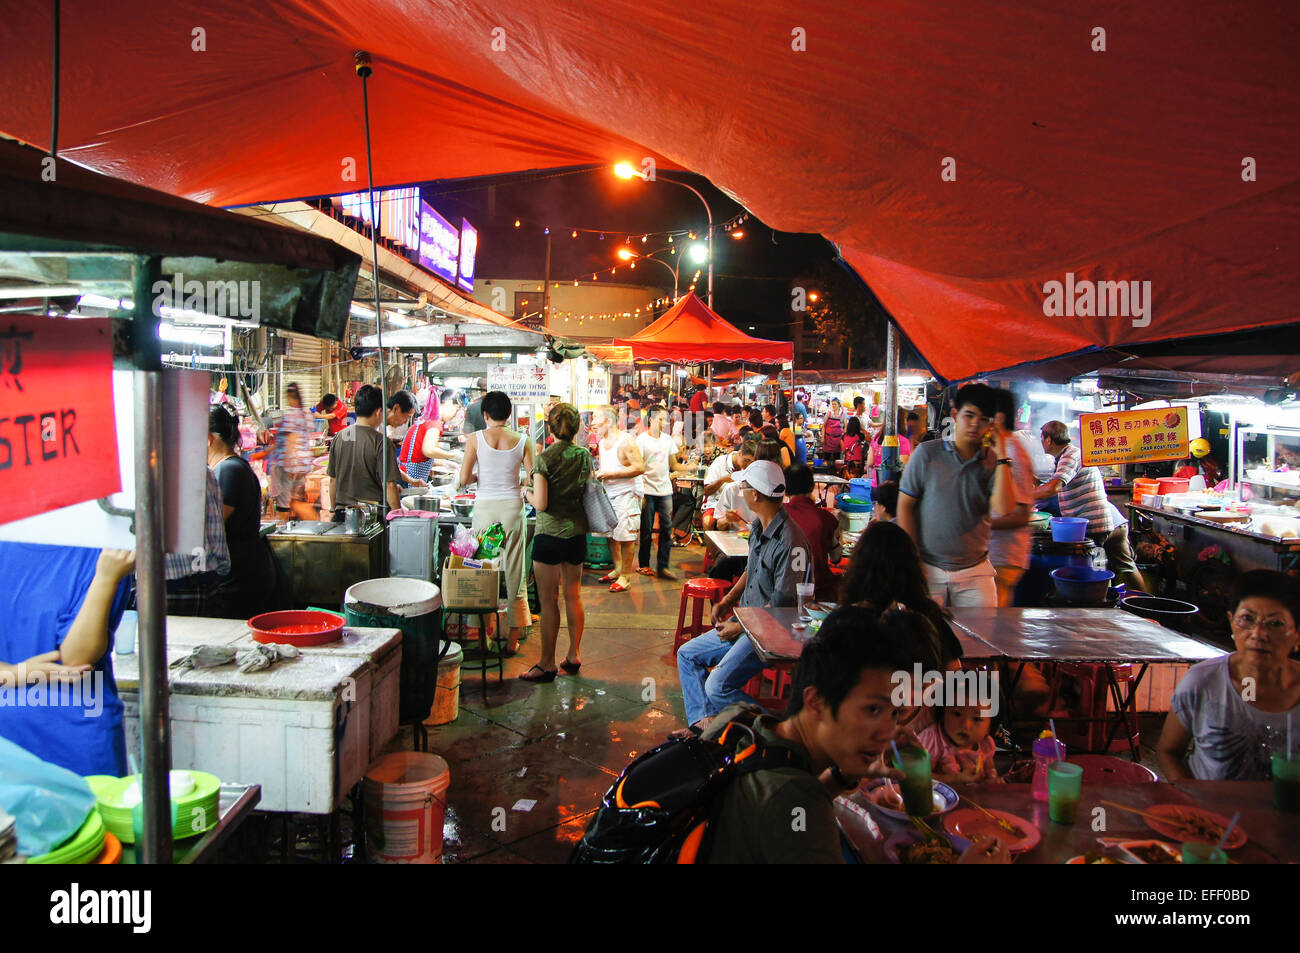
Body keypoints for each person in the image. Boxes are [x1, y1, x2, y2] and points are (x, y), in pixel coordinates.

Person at [697, 606, 1008, 863]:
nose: (887, 731)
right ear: (817, 702)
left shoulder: (739, 719)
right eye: (872, 710)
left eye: (894, 713)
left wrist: (841, 776)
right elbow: (793, 805)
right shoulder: (800, 805)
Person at [676, 461, 810, 734]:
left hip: (772, 631)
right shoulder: (761, 527)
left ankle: (779, 732)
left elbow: (784, 606)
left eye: (745, 486)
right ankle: (703, 727)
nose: (742, 490)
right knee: (687, 655)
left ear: (756, 495)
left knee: (717, 686)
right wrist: (727, 601)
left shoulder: (791, 541)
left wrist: (740, 626)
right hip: (749, 624)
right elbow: (752, 568)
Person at [0, 545, 136, 777]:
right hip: (8, 741)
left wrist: (106, 577)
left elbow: (77, 659)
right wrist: (12, 673)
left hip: (76, 736)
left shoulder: (106, 552)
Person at [1158, 570, 1300, 780]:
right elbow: (1168, 751)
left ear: (1297, 634)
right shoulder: (1202, 682)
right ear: (1232, 622)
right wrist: (1191, 800)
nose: (1258, 634)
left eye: (1275, 623)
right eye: (1247, 619)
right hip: (1209, 810)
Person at [897, 383, 1020, 608]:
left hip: (975, 571)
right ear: (955, 415)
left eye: (983, 419)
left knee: (980, 640)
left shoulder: (992, 462)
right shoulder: (927, 454)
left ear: (991, 423)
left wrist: (1002, 455)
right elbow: (905, 506)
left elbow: (1004, 508)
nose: (975, 424)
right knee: (925, 638)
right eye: (969, 415)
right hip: (928, 567)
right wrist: (913, 561)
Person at [458, 390, 534, 653]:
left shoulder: (475, 439)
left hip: (485, 510)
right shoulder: (523, 439)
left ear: (485, 414)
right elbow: (531, 479)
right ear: (509, 415)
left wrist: (480, 476)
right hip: (513, 508)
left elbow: (464, 477)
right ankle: (513, 640)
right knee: (515, 571)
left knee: (481, 570)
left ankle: (482, 637)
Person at [520, 403, 590, 683]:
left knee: (548, 602)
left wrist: (527, 494)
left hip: (549, 536)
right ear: (576, 428)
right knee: (573, 596)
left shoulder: (544, 458)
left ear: (549, 428)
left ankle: (546, 663)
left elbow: (542, 503)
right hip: (576, 534)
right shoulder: (584, 456)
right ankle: (574, 654)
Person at [1036, 419, 1146, 593]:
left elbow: (1053, 488)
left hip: (1094, 525)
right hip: (1110, 522)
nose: (1041, 443)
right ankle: (1145, 600)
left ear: (1049, 439)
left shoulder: (1070, 455)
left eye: (1042, 439)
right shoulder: (1067, 456)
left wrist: (1021, 496)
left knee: (1095, 569)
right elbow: (1053, 483)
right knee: (1125, 567)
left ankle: (1101, 606)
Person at [209, 404, 276, 616]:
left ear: (209, 439)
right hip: (242, 573)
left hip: (240, 577)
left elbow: (212, 526)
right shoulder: (230, 467)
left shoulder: (228, 470)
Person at [988, 388, 1034, 607]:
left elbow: (1022, 515)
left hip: (1004, 555)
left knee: (993, 621)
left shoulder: (1012, 453)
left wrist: (980, 525)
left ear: (999, 417)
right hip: (995, 553)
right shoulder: (1000, 448)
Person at [327, 384, 403, 514]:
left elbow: (333, 480)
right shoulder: (382, 442)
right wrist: (399, 515)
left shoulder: (339, 437)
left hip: (342, 513)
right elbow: (389, 485)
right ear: (379, 412)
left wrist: (334, 510)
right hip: (371, 517)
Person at [593, 407, 646, 593]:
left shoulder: (626, 441)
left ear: (608, 421)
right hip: (609, 493)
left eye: (596, 417)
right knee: (611, 535)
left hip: (626, 494)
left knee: (625, 536)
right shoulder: (602, 442)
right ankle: (617, 568)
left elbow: (640, 467)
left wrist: (610, 473)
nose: (593, 423)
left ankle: (625, 576)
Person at [637, 405, 687, 580]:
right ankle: (644, 564)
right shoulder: (641, 440)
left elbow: (673, 464)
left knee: (667, 530)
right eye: (661, 419)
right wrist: (639, 491)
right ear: (651, 419)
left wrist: (689, 467)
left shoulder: (667, 440)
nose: (665, 422)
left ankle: (663, 567)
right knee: (646, 529)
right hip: (647, 490)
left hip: (665, 490)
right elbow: (638, 467)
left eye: (666, 419)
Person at [783, 463, 843, 600]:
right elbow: (836, 558)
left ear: (785, 490)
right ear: (812, 487)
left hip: (782, 589)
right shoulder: (828, 519)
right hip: (819, 591)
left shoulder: (777, 515)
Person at [919, 702, 1002, 784]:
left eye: (977, 719)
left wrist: (992, 778)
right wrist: (955, 779)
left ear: (990, 726)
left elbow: (990, 767)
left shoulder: (985, 743)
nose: (965, 725)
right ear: (943, 714)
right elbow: (920, 776)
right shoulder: (933, 739)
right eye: (957, 713)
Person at [270, 382, 317, 521]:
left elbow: (291, 441)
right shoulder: (307, 413)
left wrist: (292, 465)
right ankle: (310, 529)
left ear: (289, 397)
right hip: (304, 465)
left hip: (290, 467)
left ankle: (282, 532)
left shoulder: (291, 415)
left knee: (284, 504)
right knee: (297, 502)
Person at [401, 388, 463, 484]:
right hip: (409, 479)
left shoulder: (426, 419)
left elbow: (419, 456)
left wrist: (444, 463)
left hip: (406, 476)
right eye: (456, 409)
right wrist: (454, 455)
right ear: (449, 403)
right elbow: (429, 450)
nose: (455, 415)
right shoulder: (434, 422)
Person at [700, 436, 756, 531]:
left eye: (752, 462)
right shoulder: (720, 462)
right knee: (708, 521)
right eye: (747, 460)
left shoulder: (750, 468)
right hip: (715, 503)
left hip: (739, 504)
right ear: (740, 453)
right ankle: (711, 545)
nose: (749, 465)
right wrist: (722, 480)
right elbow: (706, 491)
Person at [821, 397, 846, 462]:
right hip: (828, 439)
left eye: (835, 404)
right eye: (833, 404)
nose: (834, 406)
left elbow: (845, 427)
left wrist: (843, 439)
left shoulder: (843, 414)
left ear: (839, 405)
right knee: (827, 458)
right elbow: (824, 426)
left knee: (837, 458)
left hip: (838, 440)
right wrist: (822, 437)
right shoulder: (829, 413)